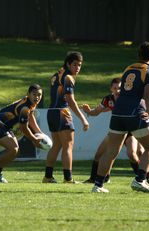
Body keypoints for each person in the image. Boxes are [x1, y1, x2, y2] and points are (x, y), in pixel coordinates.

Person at [92, 42, 149, 193]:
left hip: (117, 112)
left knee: (111, 151)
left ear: (138, 55)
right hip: (134, 112)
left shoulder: (128, 68)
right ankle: (140, 180)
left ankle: (98, 185)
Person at [82, 78, 143, 184]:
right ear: (111, 89)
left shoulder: (128, 98)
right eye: (115, 88)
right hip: (116, 132)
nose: (117, 90)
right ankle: (94, 178)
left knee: (132, 154)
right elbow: (96, 112)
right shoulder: (108, 99)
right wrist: (89, 111)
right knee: (99, 154)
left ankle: (143, 178)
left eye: (120, 88)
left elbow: (141, 107)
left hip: (129, 131)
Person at [43, 51, 89, 184]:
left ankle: (48, 176)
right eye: (75, 64)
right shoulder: (68, 78)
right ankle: (68, 178)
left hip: (51, 112)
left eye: (80, 65)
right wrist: (83, 119)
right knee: (68, 145)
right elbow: (70, 100)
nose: (78, 68)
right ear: (68, 64)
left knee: (56, 145)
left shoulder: (57, 74)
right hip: (62, 112)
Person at [0, 84, 43, 183]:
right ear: (28, 94)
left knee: (15, 151)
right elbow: (24, 128)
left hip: (4, 126)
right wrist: (34, 139)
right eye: (34, 94)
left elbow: (31, 118)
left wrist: (40, 133)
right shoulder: (25, 108)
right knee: (13, 149)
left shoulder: (30, 104)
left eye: (39, 95)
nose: (37, 97)